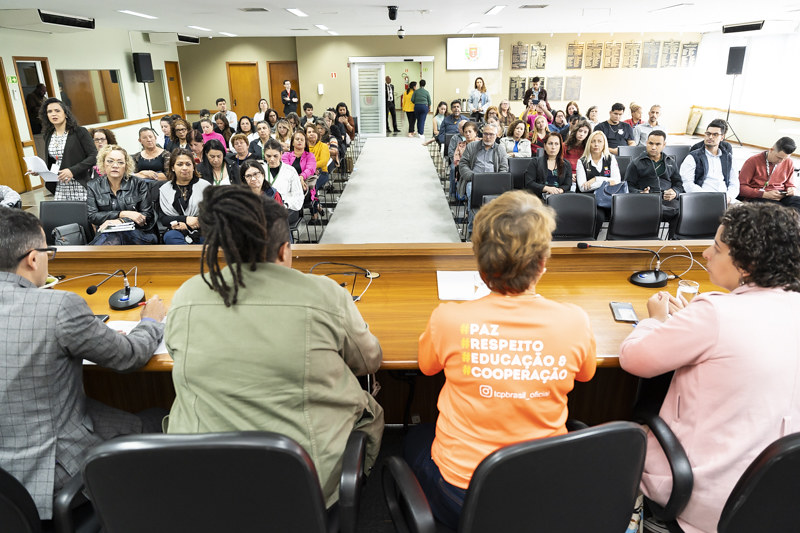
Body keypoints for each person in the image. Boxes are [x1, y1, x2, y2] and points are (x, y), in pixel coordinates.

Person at [166, 186, 384, 509]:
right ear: (284, 250)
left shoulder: (187, 295)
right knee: (369, 406)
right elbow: (369, 361)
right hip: (302, 484)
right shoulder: (325, 295)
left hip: (206, 482)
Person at [409, 190, 596, 529]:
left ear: (480, 264)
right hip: (544, 486)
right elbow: (585, 376)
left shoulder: (448, 319)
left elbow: (426, 367)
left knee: (413, 438)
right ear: (543, 263)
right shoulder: (575, 321)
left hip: (462, 494)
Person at [619, 202, 800, 533]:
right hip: (777, 499)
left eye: (716, 248)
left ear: (747, 264)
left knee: (617, 443)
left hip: (701, 498)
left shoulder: (715, 313)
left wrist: (656, 321)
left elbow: (634, 359)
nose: (705, 253)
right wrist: (691, 322)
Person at [0, 208, 166, 520]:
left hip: (5, 481)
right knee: (159, 418)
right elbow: (129, 355)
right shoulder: (58, 305)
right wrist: (151, 322)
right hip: (48, 474)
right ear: (33, 259)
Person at [86, 145, 157, 245]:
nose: (115, 165)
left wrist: (121, 221)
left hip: (139, 233)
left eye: (120, 162)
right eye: (110, 161)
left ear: (126, 165)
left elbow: (147, 215)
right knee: (112, 236)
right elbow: (92, 216)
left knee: (116, 236)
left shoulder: (138, 183)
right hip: (106, 233)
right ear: (103, 163)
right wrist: (122, 214)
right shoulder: (93, 185)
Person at [624, 130, 683, 236]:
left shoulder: (670, 162)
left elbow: (678, 183)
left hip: (667, 200)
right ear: (646, 143)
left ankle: (673, 244)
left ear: (664, 145)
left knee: (681, 212)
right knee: (652, 211)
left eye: (658, 144)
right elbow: (628, 185)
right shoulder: (636, 163)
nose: (653, 147)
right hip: (646, 201)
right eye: (651, 143)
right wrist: (640, 193)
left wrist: (675, 192)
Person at [38, 97, 96, 199]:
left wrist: (72, 170)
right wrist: (40, 170)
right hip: (59, 185)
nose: (53, 114)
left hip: (79, 183)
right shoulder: (48, 135)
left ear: (65, 113)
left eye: (57, 111)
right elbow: (54, 161)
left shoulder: (79, 132)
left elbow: (94, 156)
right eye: (49, 111)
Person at [680, 118, 739, 204]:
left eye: (715, 134)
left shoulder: (729, 158)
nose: (710, 137)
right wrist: (708, 198)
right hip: (702, 199)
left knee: (749, 213)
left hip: (725, 200)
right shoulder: (693, 157)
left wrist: (728, 197)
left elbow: (734, 184)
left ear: (722, 137)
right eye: (708, 133)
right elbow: (687, 183)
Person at [159, 148, 210, 245]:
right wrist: (184, 220)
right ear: (172, 167)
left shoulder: (205, 186)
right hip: (176, 229)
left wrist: (193, 224)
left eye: (188, 164)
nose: (184, 168)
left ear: (193, 167)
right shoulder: (164, 189)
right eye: (179, 164)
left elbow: (213, 214)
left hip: (202, 228)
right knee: (171, 237)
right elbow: (164, 218)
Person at [737, 136, 800, 213]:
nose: (781, 161)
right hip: (759, 195)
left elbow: (790, 184)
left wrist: (791, 189)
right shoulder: (752, 161)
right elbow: (741, 188)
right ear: (771, 150)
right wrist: (764, 194)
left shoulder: (789, 162)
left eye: (784, 159)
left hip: (780, 195)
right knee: (778, 211)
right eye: (779, 157)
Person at [263, 138, 305, 225]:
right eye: (268, 156)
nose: (272, 159)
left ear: (281, 154)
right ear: (264, 154)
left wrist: (285, 205)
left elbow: (298, 197)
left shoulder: (290, 170)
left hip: (288, 209)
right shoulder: (260, 171)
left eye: (275, 156)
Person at [525, 132, 572, 199]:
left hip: (559, 197)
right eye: (550, 144)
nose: (553, 147)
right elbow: (529, 183)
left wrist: (559, 190)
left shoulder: (566, 164)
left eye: (556, 144)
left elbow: (567, 184)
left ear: (560, 147)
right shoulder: (535, 162)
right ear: (544, 146)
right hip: (539, 197)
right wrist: (546, 188)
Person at [306, 124, 330, 223]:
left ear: (317, 133)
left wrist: (310, 166)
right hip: (308, 174)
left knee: (312, 187)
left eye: (314, 132)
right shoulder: (304, 147)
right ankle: (318, 206)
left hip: (322, 173)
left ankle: (314, 214)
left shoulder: (323, 146)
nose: (312, 134)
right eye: (309, 132)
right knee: (306, 188)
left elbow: (323, 162)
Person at [282, 130, 317, 194]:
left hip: (305, 184)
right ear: (292, 143)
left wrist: (302, 177)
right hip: (289, 184)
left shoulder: (310, 156)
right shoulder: (286, 155)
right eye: (297, 139)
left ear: (305, 144)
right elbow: (287, 169)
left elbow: (310, 169)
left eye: (302, 139)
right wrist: (297, 179)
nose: (299, 141)